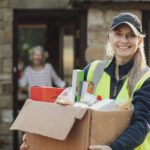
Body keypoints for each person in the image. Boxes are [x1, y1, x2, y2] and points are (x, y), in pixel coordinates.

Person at [20, 12, 150, 150]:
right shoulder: (93, 70)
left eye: (131, 35)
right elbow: (65, 108)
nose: (124, 40)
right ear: (109, 37)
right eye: (118, 34)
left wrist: (113, 148)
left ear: (140, 40)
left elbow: (141, 123)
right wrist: (37, 137)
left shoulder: (145, 78)